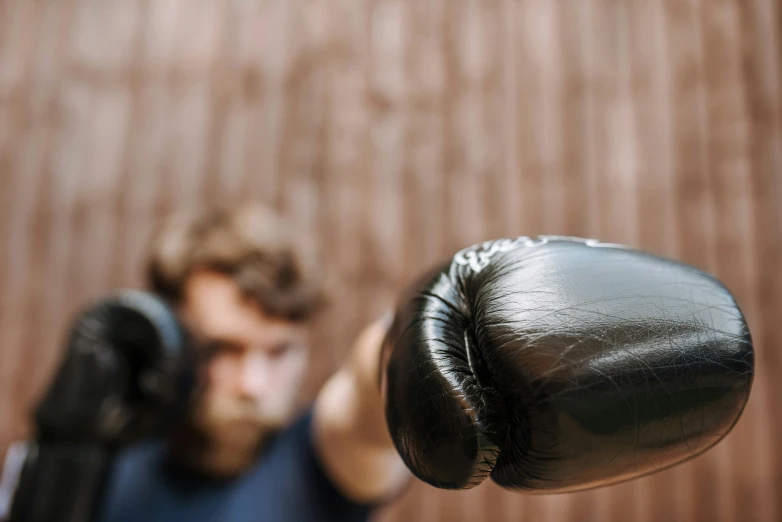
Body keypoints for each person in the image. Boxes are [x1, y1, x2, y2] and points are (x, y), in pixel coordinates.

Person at [95, 204, 410, 521]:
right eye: (222, 349)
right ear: (169, 338)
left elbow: (369, 391)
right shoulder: (105, 455)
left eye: (280, 351)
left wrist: (417, 337)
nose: (253, 385)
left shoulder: (321, 460)